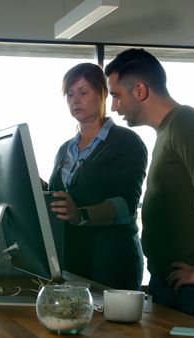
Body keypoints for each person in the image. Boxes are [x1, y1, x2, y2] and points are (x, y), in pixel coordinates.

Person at [104, 48, 194, 325]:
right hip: (172, 282)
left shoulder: (185, 121)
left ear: (139, 90)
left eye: (116, 95)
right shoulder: (167, 131)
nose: (114, 106)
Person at [46, 62, 148, 290]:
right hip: (71, 263)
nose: (75, 100)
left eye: (83, 92)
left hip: (110, 263)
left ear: (103, 94)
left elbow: (125, 206)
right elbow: (60, 196)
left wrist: (80, 214)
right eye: (70, 94)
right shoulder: (65, 149)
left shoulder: (126, 142)